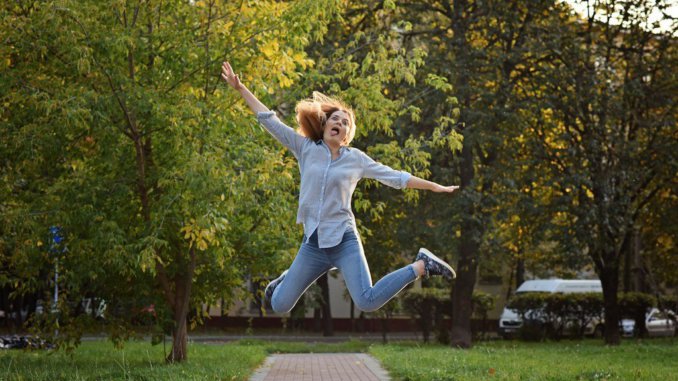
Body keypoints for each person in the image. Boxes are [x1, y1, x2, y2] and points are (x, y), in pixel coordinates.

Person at [221, 61, 458, 313]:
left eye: (345, 123)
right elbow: (270, 121)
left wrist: (433, 186)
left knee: (367, 301)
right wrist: (241, 88)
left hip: (344, 241)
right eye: (335, 119)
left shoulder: (356, 159)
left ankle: (421, 265)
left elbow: (395, 177)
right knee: (278, 305)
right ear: (324, 127)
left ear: (346, 134)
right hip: (313, 243)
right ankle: (286, 278)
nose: (339, 123)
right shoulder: (305, 148)